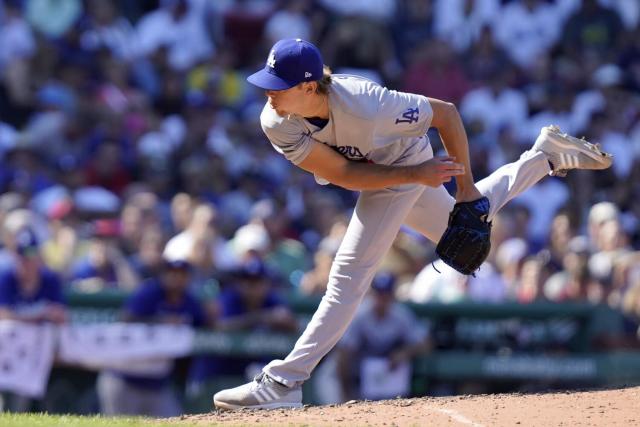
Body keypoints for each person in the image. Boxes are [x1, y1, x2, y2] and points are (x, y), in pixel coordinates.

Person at [213, 38, 612, 410]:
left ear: (309, 87)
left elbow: (447, 115)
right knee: (457, 233)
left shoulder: (368, 103)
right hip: (393, 171)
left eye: (278, 85)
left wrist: (465, 187)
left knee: (349, 274)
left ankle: (283, 382)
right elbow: (347, 175)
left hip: (405, 156)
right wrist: (423, 179)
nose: (268, 92)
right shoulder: (276, 120)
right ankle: (545, 157)